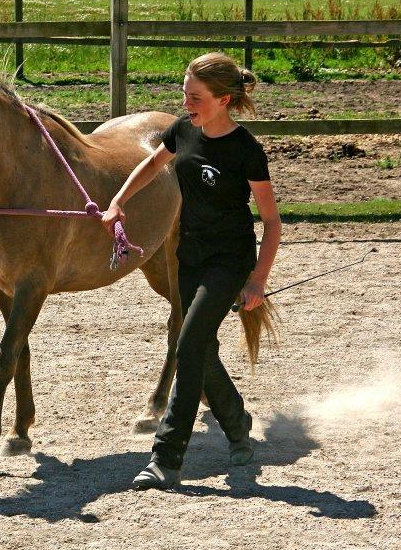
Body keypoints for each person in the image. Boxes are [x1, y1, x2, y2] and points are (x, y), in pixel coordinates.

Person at [101, 52, 280, 490]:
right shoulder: (183, 130)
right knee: (200, 349)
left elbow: (272, 222)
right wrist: (118, 200)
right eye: (184, 92)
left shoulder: (245, 151)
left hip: (228, 261)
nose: (187, 102)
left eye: (195, 96)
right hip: (190, 258)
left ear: (223, 99)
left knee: (187, 345)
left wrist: (256, 279)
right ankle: (237, 425)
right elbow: (150, 165)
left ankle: (166, 457)